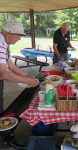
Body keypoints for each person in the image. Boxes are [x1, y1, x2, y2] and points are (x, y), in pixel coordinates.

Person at [0, 19, 39, 148]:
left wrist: (26, 75)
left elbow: (10, 64)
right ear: (9, 32)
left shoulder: (4, 43)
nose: (19, 38)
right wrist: (27, 80)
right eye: (18, 35)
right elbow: (3, 73)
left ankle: (3, 136)